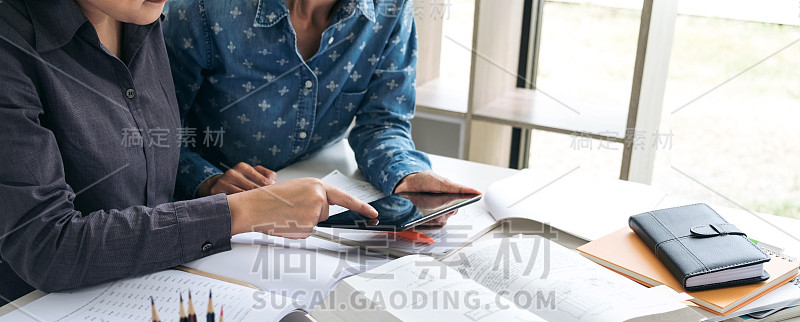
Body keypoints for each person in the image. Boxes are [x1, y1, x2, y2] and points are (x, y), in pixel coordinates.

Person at [0, 0, 377, 303]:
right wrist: (246, 211)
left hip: (152, 289)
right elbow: (48, 248)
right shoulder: (11, 45)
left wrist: (209, 186)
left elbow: (152, 157)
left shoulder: (142, 17)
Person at [162, 0, 479, 201]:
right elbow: (154, 135)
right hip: (219, 207)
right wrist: (207, 180)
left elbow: (382, 122)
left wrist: (405, 174)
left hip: (319, 197)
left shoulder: (391, 9)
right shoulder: (198, 10)